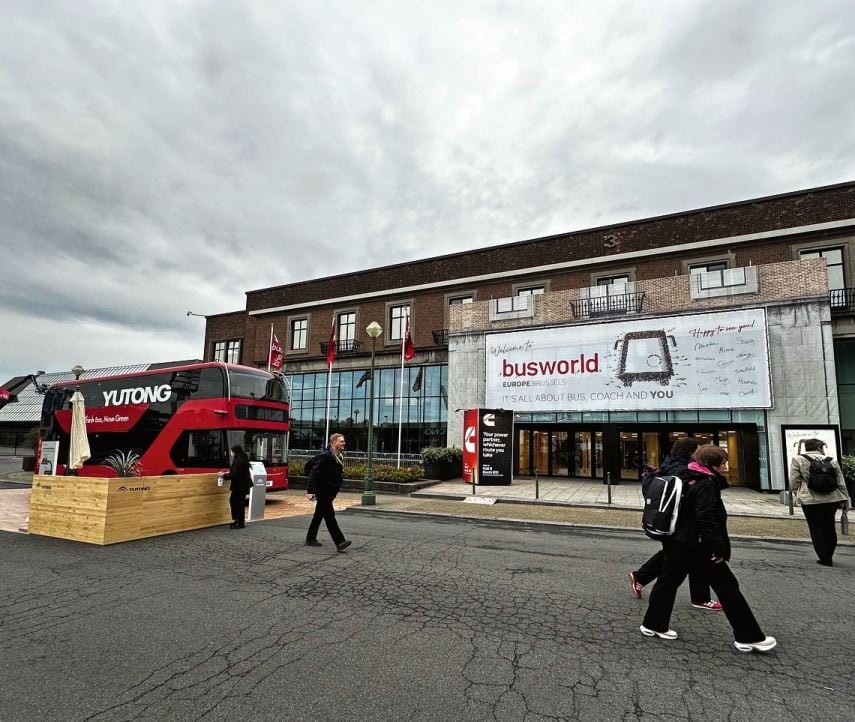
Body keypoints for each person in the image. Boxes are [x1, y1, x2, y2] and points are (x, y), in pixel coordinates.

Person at [640, 444, 776, 653]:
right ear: (712, 465)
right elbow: (707, 519)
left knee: (667, 582)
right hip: (698, 545)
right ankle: (748, 636)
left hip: (677, 540)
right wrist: (719, 549)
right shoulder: (705, 483)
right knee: (728, 588)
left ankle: (653, 624)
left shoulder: (684, 474)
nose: (726, 467)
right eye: (723, 463)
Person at [628, 438, 721, 611]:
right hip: (680, 524)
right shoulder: (684, 470)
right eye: (698, 449)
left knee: (682, 557)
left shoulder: (669, 465)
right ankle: (655, 618)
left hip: (675, 523)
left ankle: (642, 578)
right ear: (690, 452)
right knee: (677, 563)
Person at [789, 438, 850, 566]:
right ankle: (829, 552)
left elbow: (794, 480)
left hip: (810, 499)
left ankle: (824, 556)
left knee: (815, 527)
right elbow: (840, 481)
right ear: (819, 447)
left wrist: (797, 493)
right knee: (829, 525)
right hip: (831, 499)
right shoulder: (831, 461)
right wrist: (845, 498)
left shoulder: (798, 459)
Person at [305, 433, 351, 552]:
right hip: (323, 491)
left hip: (330, 491)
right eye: (341, 441)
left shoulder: (338, 455)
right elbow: (314, 473)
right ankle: (340, 541)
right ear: (334, 442)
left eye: (343, 441)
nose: (343, 443)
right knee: (330, 516)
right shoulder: (325, 456)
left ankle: (310, 538)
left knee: (319, 515)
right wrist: (310, 491)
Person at [222, 445, 252, 529]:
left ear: (234, 452)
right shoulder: (243, 459)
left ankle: (239, 522)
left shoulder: (237, 461)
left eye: (231, 451)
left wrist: (224, 475)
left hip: (239, 486)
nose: (231, 453)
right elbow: (237, 471)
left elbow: (235, 474)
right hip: (244, 485)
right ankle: (239, 521)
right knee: (239, 503)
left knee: (235, 502)